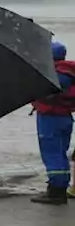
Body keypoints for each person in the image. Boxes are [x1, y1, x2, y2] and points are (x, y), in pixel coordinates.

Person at [30, 40, 75, 205]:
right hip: (65, 118)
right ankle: (60, 187)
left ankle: (56, 192)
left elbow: (46, 94)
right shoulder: (68, 72)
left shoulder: (54, 75)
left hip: (50, 118)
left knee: (51, 153)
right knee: (61, 153)